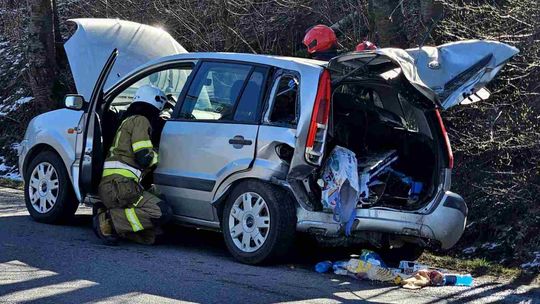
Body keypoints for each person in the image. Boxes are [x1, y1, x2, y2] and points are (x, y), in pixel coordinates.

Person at [93, 84, 172, 245]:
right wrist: (159, 154)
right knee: (161, 212)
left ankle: (108, 213)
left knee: (152, 236)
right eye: (161, 109)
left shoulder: (128, 120)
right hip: (121, 188)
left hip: (114, 187)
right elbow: (144, 157)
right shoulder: (141, 121)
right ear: (155, 103)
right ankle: (108, 220)